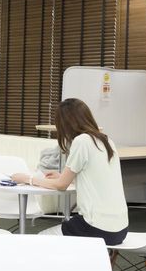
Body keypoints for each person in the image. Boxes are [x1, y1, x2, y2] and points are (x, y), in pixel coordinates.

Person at [11, 98, 129, 245]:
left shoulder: (82, 141)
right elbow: (95, 177)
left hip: (96, 227)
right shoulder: (107, 141)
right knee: (67, 232)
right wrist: (63, 176)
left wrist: (27, 179)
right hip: (121, 230)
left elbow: (61, 185)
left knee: (41, 238)